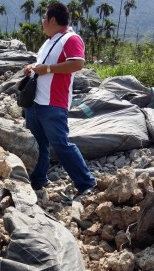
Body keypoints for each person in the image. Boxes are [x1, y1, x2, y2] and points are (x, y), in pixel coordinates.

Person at [23, 2, 96, 199]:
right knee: (38, 144)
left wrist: (46, 69)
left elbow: (77, 63)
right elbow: (44, 66)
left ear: (53, 20)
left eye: (44, 19)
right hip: (36, 101)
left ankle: (86, 182)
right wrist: (33, 67)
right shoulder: (49, 41)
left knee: (61, 144)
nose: (43, 23)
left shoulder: (71, 38)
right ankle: (38, 180)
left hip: (54, 103)